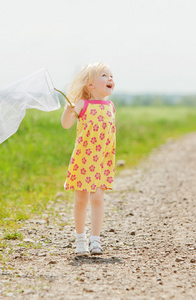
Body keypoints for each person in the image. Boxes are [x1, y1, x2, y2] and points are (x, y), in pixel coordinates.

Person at [61, 62, 116, 256]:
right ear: (90, 85)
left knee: (98, 198)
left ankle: (96, 239)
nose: (110, 79)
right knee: (81, 199)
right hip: (84, 160)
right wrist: (68, 111)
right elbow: (67, 125)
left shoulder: (110, 106)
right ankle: (80, 238)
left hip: (102, 160)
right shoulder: (83, 104)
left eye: (111, 76)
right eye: (103, 75)